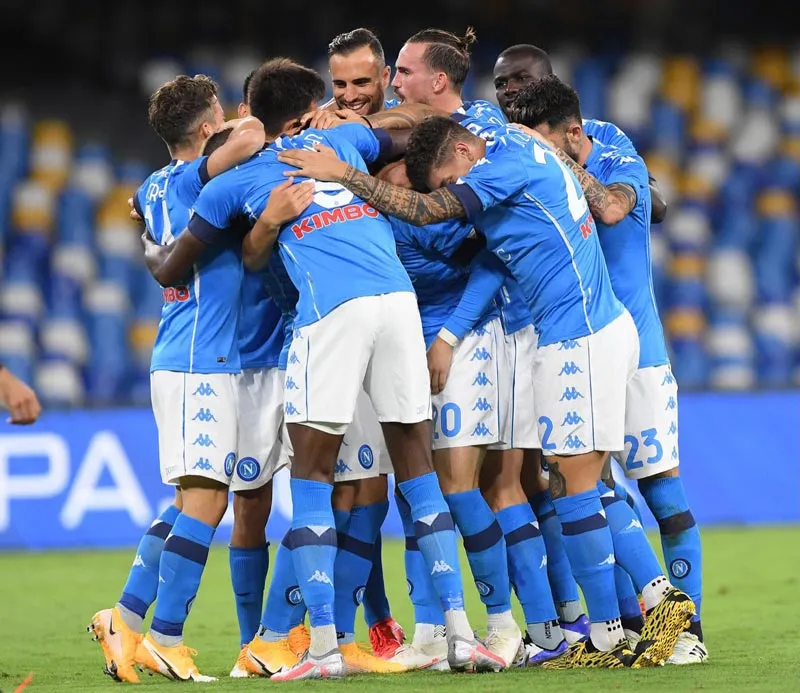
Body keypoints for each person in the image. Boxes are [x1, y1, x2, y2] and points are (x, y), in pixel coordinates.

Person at [276, 116, 695, 669]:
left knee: (574, 489)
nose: (452, 191)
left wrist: (343, 173)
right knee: (576, 485)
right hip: (578, 332)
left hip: (582, 335)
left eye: (451, 178)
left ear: (465, 151)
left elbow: (433, 211)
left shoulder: (499, 165)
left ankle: (660, 608)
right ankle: (614, 632)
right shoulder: (513, 140)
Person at [146, 58, 501, 680]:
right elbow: (410, 126)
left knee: (312, 478)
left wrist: (245, 225)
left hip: (329, 314)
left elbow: (176, 265)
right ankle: (462, 636)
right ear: (310, 112)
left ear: (253, 118)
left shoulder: (232, 180)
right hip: (397, 304)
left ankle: (322, 651)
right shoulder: (339, 140)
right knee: (418, 475)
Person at [510, 75, 707, 665]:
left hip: (637, 348)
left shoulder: (607, 143)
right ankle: (623, 624)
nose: (508, 94)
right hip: (579, 339)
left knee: (662, 492)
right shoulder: (526, 152)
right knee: (585, 483)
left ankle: (686, 629)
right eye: (502, 88)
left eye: (518, 83)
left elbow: (622, 207)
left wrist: (554, 158)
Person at [87, 73, 271, 683]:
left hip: (185, 358)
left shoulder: (150, 186)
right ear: (203, 129)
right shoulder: (196, 178)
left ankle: (127, 618)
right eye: (218, 113)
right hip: (199, 363)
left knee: (192, 501)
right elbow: (250, 137)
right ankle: (164, 635)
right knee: (207, 501)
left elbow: (147, 224)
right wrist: (238, 124)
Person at [389, 26, 564, 666]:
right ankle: (435, 631)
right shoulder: (401, 152)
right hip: (425, 341)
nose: (389, 85)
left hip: (487, 332)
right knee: (430, 489)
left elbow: (491, 255)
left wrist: (448, 334)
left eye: (400, 72)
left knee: (489, 483)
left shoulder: (485, 136)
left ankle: (519, 626)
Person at [326, 28, 406, 660]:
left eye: (362, 82)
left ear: (386, 79)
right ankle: (362, 623)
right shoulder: (326, 138)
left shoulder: (406, 133)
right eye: (340, 85)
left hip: (426, 326)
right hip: (349, 324)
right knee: (361, 484)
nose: (351, 96)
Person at [491, 43, 668, 225]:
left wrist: (551, 153)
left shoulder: (599, 133)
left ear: (550, 82)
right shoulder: (495, 143)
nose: (509, 89)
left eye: (521, 78)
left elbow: (656, 207)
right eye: (500, 83)